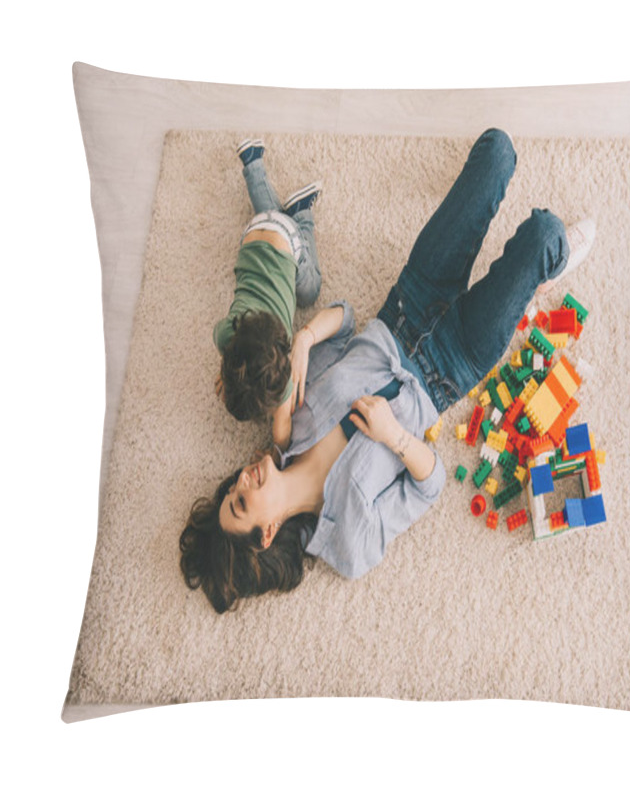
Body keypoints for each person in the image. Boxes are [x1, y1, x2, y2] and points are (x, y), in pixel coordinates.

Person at [181, 128, 596, 613]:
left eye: (233, 488)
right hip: (455, 363)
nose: (243, 480)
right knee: (546, 236)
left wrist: (304, 339)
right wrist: (394, 436)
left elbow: (348, 319)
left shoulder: (285, 421)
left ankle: (529, 271)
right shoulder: (348, 544)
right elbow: (430, 484)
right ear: (268, 533)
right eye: (242, 502)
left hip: (408, 301)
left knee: (496, 151)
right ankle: (549, 267)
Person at [214, 139, 323, 448]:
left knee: (311, 289)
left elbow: (282, 429)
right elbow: (225, 344)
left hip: (289, 242)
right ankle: (252, 163)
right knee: (274, 217)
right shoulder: (227, 336)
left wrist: (276, 454)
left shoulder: (281, 372)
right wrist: (227, 371)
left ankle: (302, 217)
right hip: (253, 235)